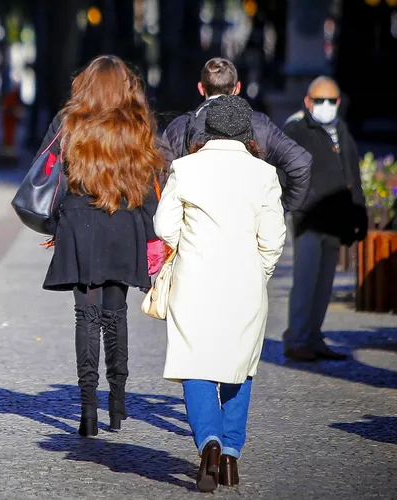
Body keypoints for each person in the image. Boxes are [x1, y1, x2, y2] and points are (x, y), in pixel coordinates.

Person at [154, 95, 287, 492]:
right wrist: (260, 271)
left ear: (206, 130)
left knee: (195, 363)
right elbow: (274, 238)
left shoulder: (185, 167)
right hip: (245, 282)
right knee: (239, 364)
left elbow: (163, 226)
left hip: (194, 280)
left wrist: (187, 246)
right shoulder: (263, 174)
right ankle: (230, 454)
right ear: (247, 133)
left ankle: (208, 442)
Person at [38, 55, 163, 437]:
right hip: (124, 223)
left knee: (86, 317)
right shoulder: (138, 125)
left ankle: (87, 410)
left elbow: (47, 173)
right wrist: (154, 235)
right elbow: (149, 183)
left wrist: (55, 223)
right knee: (116, 314)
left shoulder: (69, 122)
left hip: (79, 222)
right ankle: (118, 406)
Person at [281, 76, 367, 362]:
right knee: (306, 280)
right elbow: (286, 172)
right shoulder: (296, 128)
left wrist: (359, 213)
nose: (326, 106)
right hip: (309, 219)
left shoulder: (340, 128)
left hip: (336, 219)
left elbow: (351, 173)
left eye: (331, 101)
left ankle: (314, 337)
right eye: (320, 101)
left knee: (324, 282)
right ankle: (296, 339)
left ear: (339, 102)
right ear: (308, 101)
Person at [161, 57, 311, 212]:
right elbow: (300, 163)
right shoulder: (259, 124)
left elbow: (161, 178)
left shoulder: (179, 127)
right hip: (249, 226)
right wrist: (282, 209)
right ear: (237, 87)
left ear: (201, 88)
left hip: (195, 227)